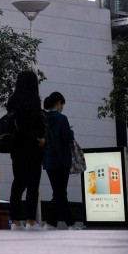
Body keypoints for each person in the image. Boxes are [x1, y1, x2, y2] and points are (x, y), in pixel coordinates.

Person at [6, 70, 47, 230]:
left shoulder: (12, 100)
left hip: (16, 147)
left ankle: (15, 221)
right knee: (32, 183)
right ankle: (31, 221)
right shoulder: (34, 99)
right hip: (32, 146)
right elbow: (35, 124)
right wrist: (40, 139)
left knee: (18, 182)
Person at [42, 92, 80, 230]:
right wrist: (71, 133)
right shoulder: (62, 118)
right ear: (58, 103)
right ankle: (52, 223)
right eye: (62, 104)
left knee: (59, 192)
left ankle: (66, 224)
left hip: (48, 160)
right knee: (60, 193)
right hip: (62, 160)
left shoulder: (44, 118)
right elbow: (67, 137)